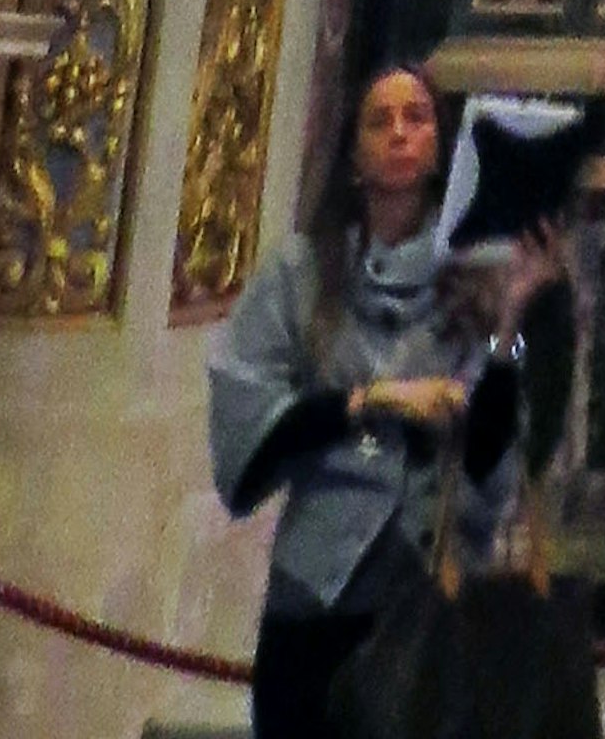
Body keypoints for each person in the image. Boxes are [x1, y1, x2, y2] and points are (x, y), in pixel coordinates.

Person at [207, 67, 575, 739]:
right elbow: (250, 429)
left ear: (440, 146)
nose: (400, 133)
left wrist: (513, 312)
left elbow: (491, 452)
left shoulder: (475, 282)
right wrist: (370, 401)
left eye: (417, 117)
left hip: (424, 599)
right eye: (380, 120)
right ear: (352, 154)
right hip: (314, 598)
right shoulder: (298, 275)